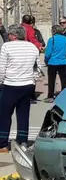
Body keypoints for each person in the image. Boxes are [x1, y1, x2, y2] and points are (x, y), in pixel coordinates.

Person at [0, 25, 42, 153]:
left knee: (5, 115)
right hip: (27, 85)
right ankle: (22, 141)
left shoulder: (6, 46)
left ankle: (3, 144)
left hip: (10, 84)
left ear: (13, 35)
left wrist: (0, 81)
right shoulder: (32, 47)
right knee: (23, 114)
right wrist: (32, 80)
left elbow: (2, 67)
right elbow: (37, 68)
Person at [44, 24, 66, 102]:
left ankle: (50, 96)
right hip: (63, 62)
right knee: (64, 80)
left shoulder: (52, 39)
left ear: (53, 31)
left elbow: (48, 53)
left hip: (52, 62)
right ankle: (65, 95)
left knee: (51, 80)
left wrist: (46, 59)